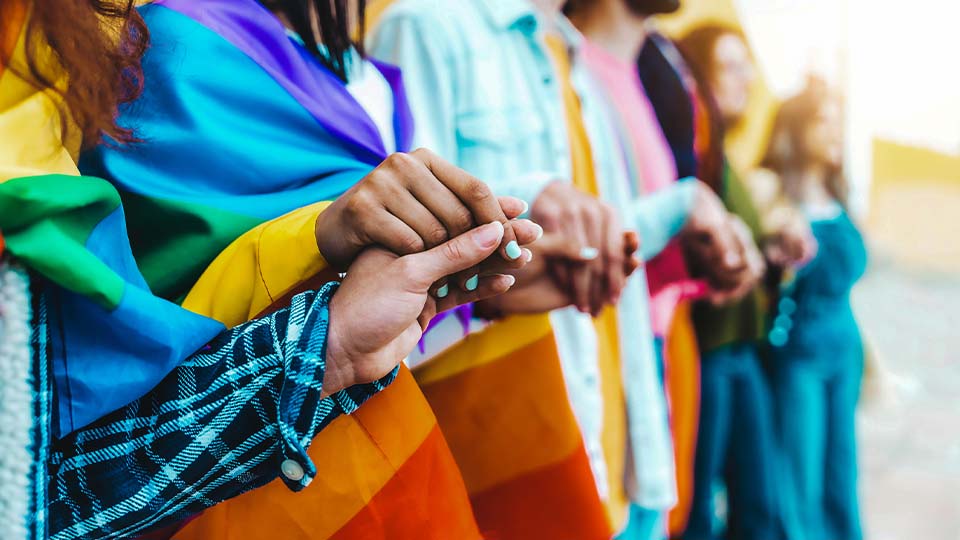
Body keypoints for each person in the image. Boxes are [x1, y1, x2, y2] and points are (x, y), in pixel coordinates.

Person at [0, 0, 541, 537]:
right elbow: (72, 445)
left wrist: (478, 285)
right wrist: (326, 299)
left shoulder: (366, 74)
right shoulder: (165, 45)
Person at [372, 1, 758, 538]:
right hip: (502, 471)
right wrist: (528, 207)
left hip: (604, 454)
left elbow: (602, 241)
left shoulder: (572, 55)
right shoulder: (426, 28)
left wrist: (688, 208)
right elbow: (395, 279)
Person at [565, 1, 765, 539]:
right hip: (603, 359)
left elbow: (636, 241)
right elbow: (576, 249)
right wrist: (685, 209)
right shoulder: (571, 68)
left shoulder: (651, 78)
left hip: (653, 346)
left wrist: (709, 259)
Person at [664, 23, 814, 540]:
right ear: (697, 78)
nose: (746, 78)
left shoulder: (728, 163)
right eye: (729, 66)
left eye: (745, 64)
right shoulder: (691, 162)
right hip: (706, 354)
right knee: (697, 513)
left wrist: (773, 254)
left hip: (741, 351)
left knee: (761, 508)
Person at [758, 78, 866, 540]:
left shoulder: (841, 197)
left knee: (842, 474)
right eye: (823, 120)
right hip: (798, 353)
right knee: (798, 477)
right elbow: (766, 261)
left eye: (838, 120)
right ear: (796, 129)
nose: (834, 131)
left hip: (846, 353)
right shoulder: (774, 197)